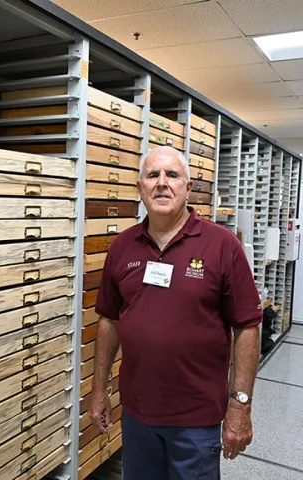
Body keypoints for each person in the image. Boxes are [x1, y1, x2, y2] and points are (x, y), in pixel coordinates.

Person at [89, 145, 262, 479]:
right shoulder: (123, 246)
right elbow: (108, 320)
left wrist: (240, 405)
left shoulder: (222, 245)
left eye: (172, 175)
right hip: (138, 414)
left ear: (188, 187)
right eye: (152, 175)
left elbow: (248, 326)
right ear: (140, 187)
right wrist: (99, 390)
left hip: (195, 420)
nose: (162, 183)